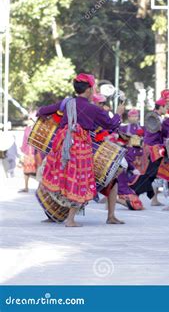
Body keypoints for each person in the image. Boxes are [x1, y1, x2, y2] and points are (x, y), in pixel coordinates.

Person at [37, 73, 126, 227]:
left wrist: (46, 117)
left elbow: (42, 110)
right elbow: (111, 125)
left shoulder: (67, 103)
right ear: (89, 90)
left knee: (64, 178)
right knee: (78, 181)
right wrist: (118, 114)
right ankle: (70, 219)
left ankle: (58, 214)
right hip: (80, 147)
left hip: (62, 144)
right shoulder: (92, 109)